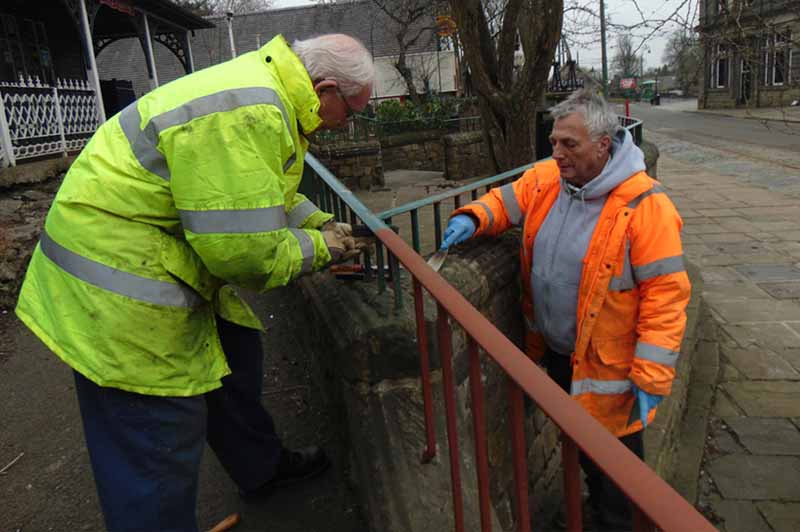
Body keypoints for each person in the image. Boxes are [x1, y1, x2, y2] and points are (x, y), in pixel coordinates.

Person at [15, 33, 374, 531]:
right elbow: (248, 257)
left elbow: (260, 190)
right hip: (117, 286)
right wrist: (326, 247)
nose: (346, 123)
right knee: (156, 438)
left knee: (235, 353)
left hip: (148, 250)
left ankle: (260, 468)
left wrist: (317, 222)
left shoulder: (269, 89)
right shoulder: (253, 111)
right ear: (326, 87)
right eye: (352, 111)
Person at [440, 89, 690, 530]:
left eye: (568, 144)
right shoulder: (546, 180)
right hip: (558, 356)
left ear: (603, 144)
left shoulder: (646, 207)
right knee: (580, 451)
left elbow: (665, 297)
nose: (556, 152)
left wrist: (651, 375)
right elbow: (505, 200)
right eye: (554, 142)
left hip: (611, 372)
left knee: (618, 472)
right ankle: (593, 513)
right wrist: (475, 217)